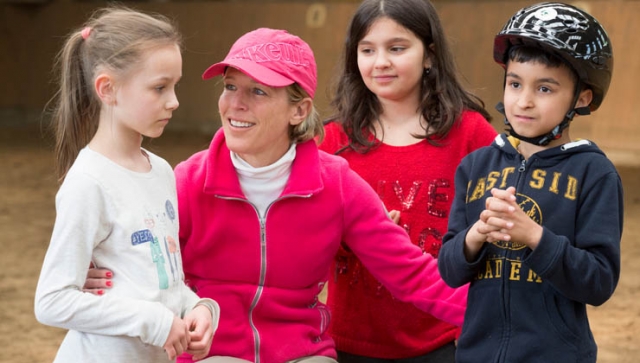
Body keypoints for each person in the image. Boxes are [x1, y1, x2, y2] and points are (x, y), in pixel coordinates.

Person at [84, 27, 468, 363]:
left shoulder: (336, 184)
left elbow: (413, 275)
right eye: (231, 86)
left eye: (258, 91)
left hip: (304, 353)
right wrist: (104, 274)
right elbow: (142, 261)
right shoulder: (187, 181)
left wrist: (504, 311)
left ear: (298, 111)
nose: (236, 103)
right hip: (210, 352)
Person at [437, 2, 622, 363]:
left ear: (581, 98)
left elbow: (599, 283)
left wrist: (535, 237)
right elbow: (449, 270)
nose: (524, 101)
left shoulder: (595, 175)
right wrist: (475, 236)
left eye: (545, 89)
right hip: (477, 354)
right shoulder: (476, 166)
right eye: (515, 83)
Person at [34, 7, 219, 362]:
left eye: (175, 86)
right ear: (108, 88)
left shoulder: (163, 172)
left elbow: (161, 278)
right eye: (159, 87)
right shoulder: (88, 183)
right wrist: (151, 321)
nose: (174, 100)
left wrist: (199, 308)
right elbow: (52, 301)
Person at [320, 0, 496, 361]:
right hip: (349, 339)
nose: (380, 61)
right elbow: (307, 239)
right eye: (367, 50)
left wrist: (476, 326)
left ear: (429, 55)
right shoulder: (332, 141)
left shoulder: (470, 135)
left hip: (442, 337)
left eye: (396, 48)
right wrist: (356, 236)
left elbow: (496, 233)